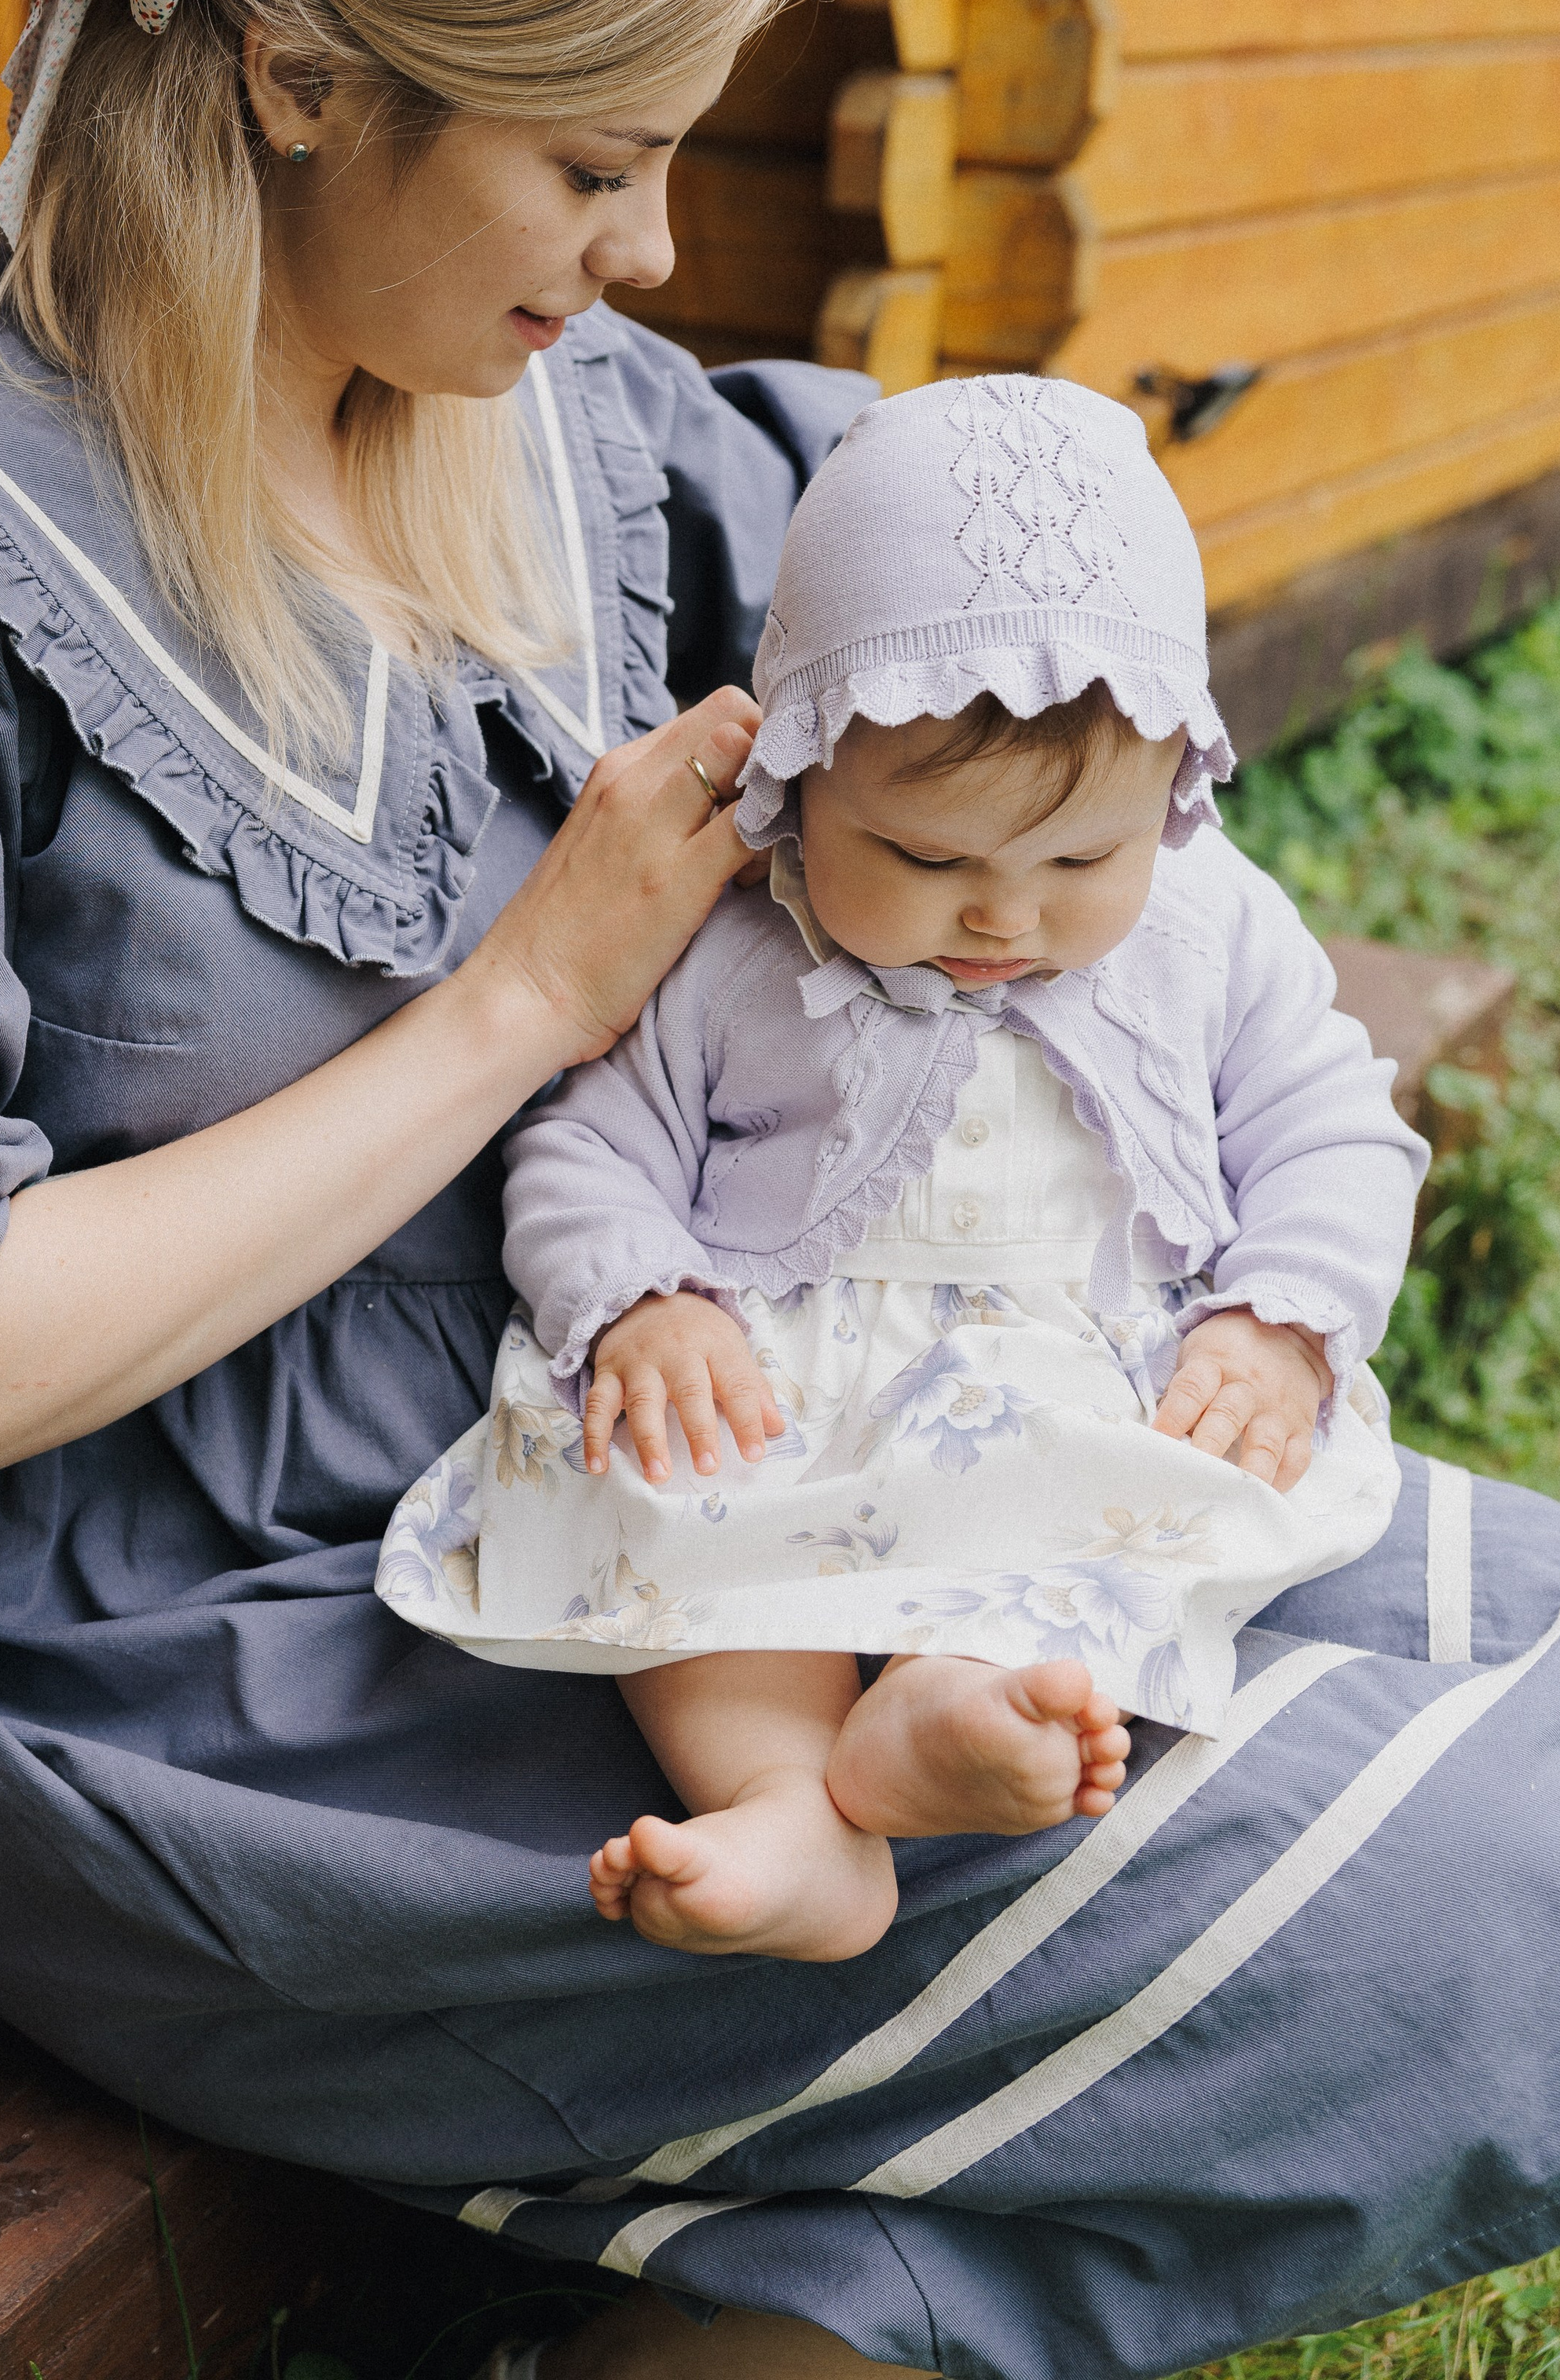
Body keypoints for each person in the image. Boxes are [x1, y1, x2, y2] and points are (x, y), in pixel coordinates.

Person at [0, 0, 1560, 2380]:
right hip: (217, 1671)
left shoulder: (558, 427)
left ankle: (772, 2299)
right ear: (289, 78)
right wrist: (511, 1013)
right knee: (1518, 1910)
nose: (643, 253)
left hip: (720, 1456)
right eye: (591, 160)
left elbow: (977, 564)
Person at [379, 378, 1419, 1964]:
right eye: (925, 860)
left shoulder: (1215, 931)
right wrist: (645, 1302)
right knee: (662, 1507)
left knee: (1122, 1520)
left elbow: (1332, 1131)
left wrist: (1277, 1316)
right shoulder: (726, 945)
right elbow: (587, 1142)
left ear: (1176, 796)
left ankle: (950, 1705)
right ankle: (783, 1799)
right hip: (780, 1382)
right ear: (801, 782)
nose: (1004, 917)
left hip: (1076, 1378)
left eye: (1082, 861)